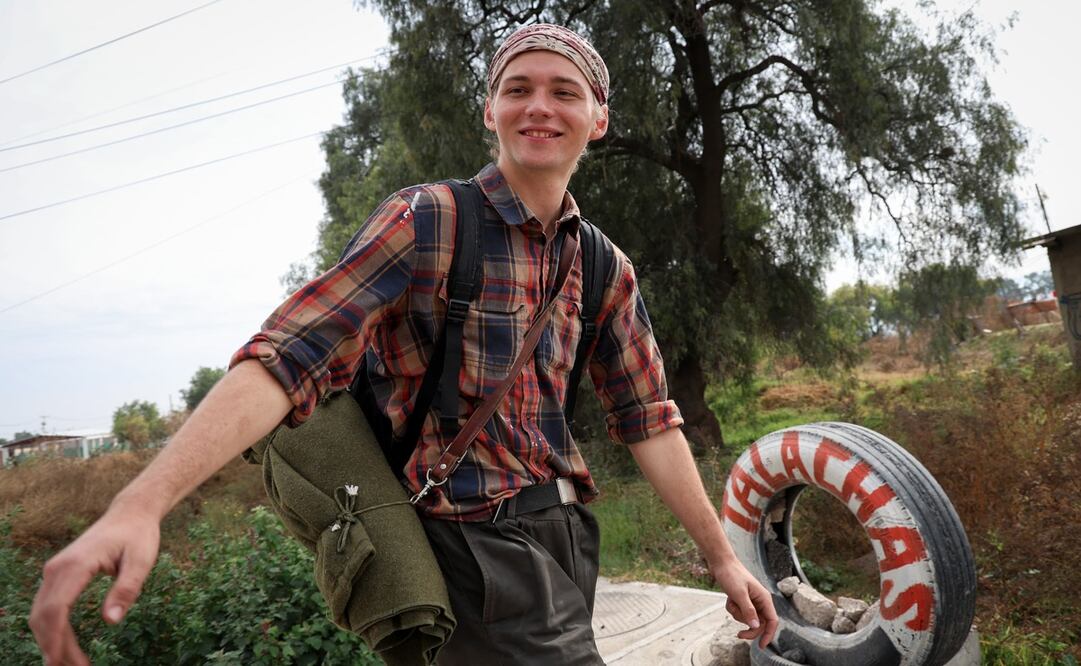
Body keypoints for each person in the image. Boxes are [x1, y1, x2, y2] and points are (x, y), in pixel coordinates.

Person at [30, 23, 777, 665]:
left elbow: (648, 418)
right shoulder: (427, 222)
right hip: (472, 544)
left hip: (568, 538)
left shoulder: (603, 266)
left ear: (598, 118)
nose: (538, 105)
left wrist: (719, 559)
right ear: (490, 110)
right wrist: (143, 502)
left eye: (562, 90)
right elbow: (285, 358)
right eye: (517, 88)